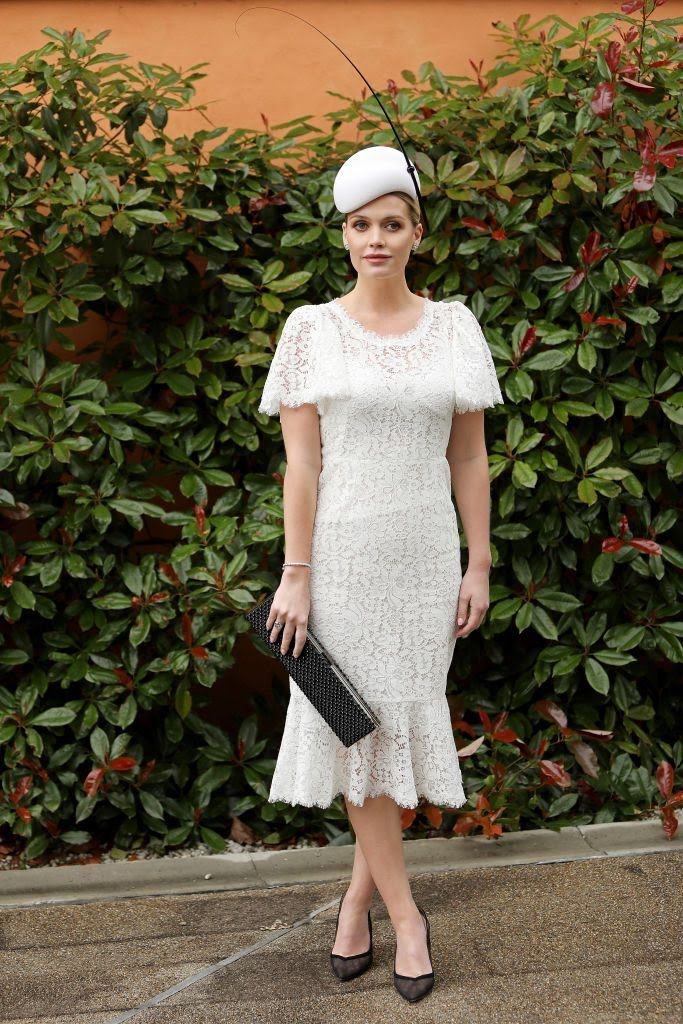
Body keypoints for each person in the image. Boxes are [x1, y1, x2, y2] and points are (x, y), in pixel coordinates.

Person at [257, 145, 504, 1003]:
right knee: (354, 731)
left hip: (426, 563)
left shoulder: (456, 326)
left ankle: (355, 902)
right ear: (343, 234)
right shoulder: (308, 331)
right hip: (342, 562)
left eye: (390, 223)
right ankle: (406, 918)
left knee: (395, 726)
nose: (375, 238)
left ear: (416, 233)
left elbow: (468, 455)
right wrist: (296, 574)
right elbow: (301, 468)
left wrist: (479, 560)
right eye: (360, 224)